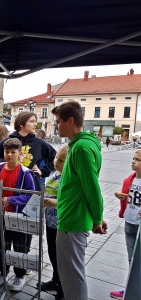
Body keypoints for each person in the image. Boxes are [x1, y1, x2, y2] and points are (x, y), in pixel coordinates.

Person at [51, 101, 107, 300]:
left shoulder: (81, 148)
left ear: (71, 120)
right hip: (74, 217)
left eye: (58, 122)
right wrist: (96, 216)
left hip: (72, 221)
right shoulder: (83, 144)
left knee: (71, 276)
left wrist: (98, 218)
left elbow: (92, 188)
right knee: (71, 274)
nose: (56, 125)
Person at [0, 112, 56, 262]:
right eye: (32, 121)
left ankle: (22, 260)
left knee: (26, 230)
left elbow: (55, 158)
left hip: (30, 192)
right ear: (21, 123)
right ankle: (0, 248)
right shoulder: (10, 140)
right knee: (4, 225)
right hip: (8, 190)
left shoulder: (39, 143)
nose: (35, 124)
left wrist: (43, 172)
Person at [0, 138, 35, 291]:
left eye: (13, 152)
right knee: (3, 246)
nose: (9, 155)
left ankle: (20, 276)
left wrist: (11, 200)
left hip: (19, 218)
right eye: (7, 152)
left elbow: (29, 196)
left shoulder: (25, 173)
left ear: (20, 154)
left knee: (20, 247)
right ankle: (3, 274)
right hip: (3, 216)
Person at [38, 145, 68, 300]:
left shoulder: (68, 177)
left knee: (60, 256)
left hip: (61, 222)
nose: (57, 162)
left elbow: (71, 199)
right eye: (57, 158)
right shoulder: (53, 173)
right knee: (51, 251)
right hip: (49, 220)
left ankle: (63, 288)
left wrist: (55, 202)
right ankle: (55, 280)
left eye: (61, 160)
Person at [110, 150, 141, 299]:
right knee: (132, 259)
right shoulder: (130, 179)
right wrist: (118, 194)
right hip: (129, 221)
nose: (133, 161)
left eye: (138, 160)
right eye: (133, 158)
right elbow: (126, 196)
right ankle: (130, 289)